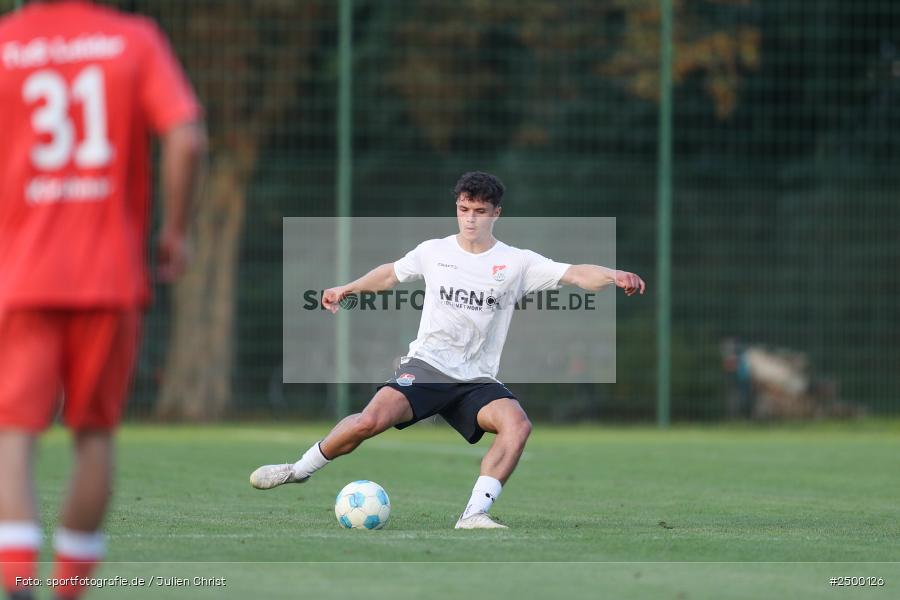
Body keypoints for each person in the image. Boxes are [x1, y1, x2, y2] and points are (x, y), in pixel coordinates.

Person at [251, 171, 645, 529]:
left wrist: (612, 275)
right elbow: (390, 274)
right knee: (367, 423)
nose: (470, 218)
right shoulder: (434, 251)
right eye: (463, 209)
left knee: (518, 425)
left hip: (476, 381)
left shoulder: (516, 262)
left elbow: (575, 273)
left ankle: (474, 514)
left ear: (496, 213)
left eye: (480, 211)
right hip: (426, 367)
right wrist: (347, 288)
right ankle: (300, 469)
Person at [0, 1, 204, 599]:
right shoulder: (134, 40)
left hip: (22, 276)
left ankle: (16, 584)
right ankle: (69, 592)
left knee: (14, 433)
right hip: (108, 275)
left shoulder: (6, 42)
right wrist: (175, 230)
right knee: (93, 434)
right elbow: (187, 139)